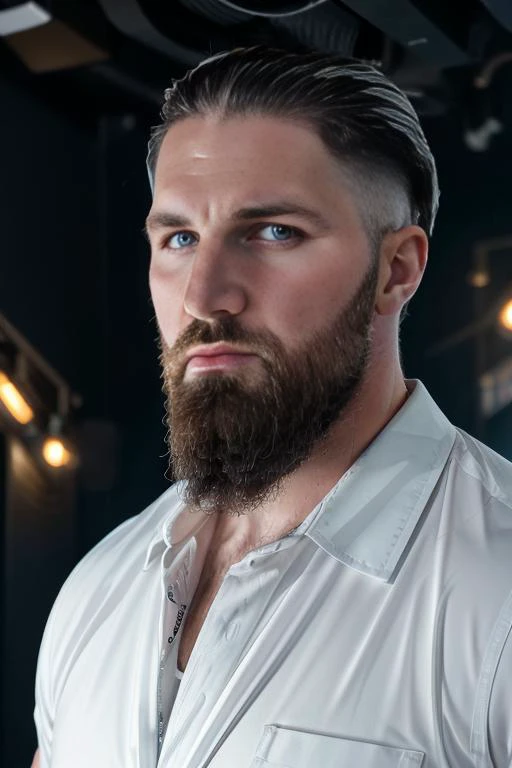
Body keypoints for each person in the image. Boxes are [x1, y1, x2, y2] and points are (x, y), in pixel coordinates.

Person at [32, 46, 512, 768]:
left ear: (397, 269)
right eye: (181, 238)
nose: (203, 295)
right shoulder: (99, 585)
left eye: (273, 232)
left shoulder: (496, 595)